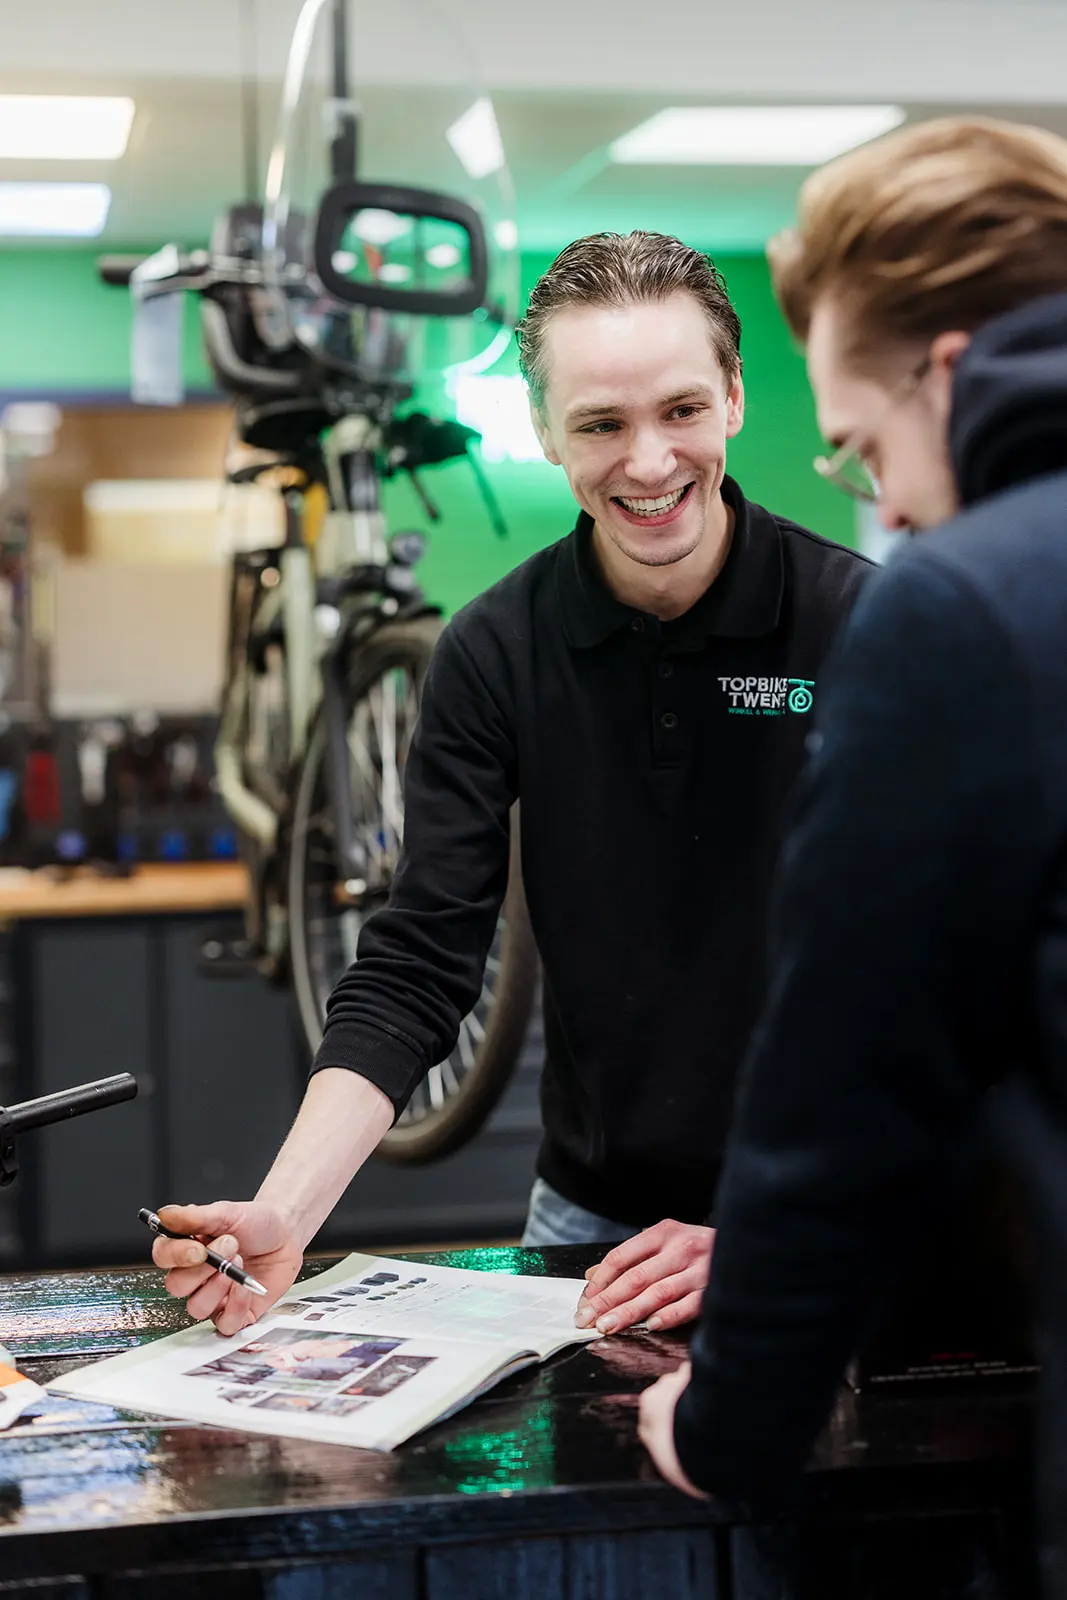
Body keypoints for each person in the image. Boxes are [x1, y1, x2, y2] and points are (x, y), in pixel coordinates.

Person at [151, 230, 869, 1342]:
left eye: (679, 409)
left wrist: (791, 1218)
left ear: (732, 396)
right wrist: (283, 1211)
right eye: (599, 423)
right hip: (592, 1220)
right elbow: (421, 955)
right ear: (543, 431)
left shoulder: (858, 626)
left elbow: (931, 977)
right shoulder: (494, 651)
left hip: (831, 1211)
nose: (646, 461)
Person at [632, 117, 1067, 1594]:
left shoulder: (959, 607)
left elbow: (849, 1083)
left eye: (862, 446)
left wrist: (726, 1414)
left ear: (950, 371)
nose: (875, 500)